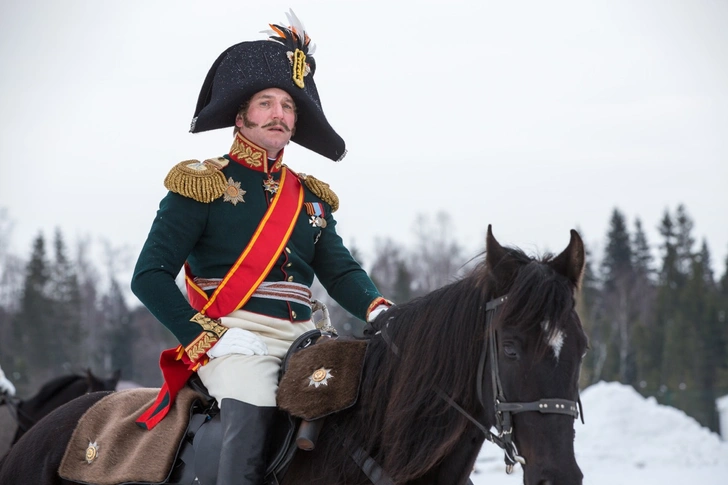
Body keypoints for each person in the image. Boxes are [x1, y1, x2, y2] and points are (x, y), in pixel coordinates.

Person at [131, 10, 391, 484]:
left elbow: (339, 270)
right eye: (267, 103)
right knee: (252, 410)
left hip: (304, 336)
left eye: (289, 107)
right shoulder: (201, 185)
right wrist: (210, 335)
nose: (280, 114)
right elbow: (147, 276)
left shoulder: (309, 197)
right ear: (241, 115)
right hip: (233, 339)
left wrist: (377, 308)